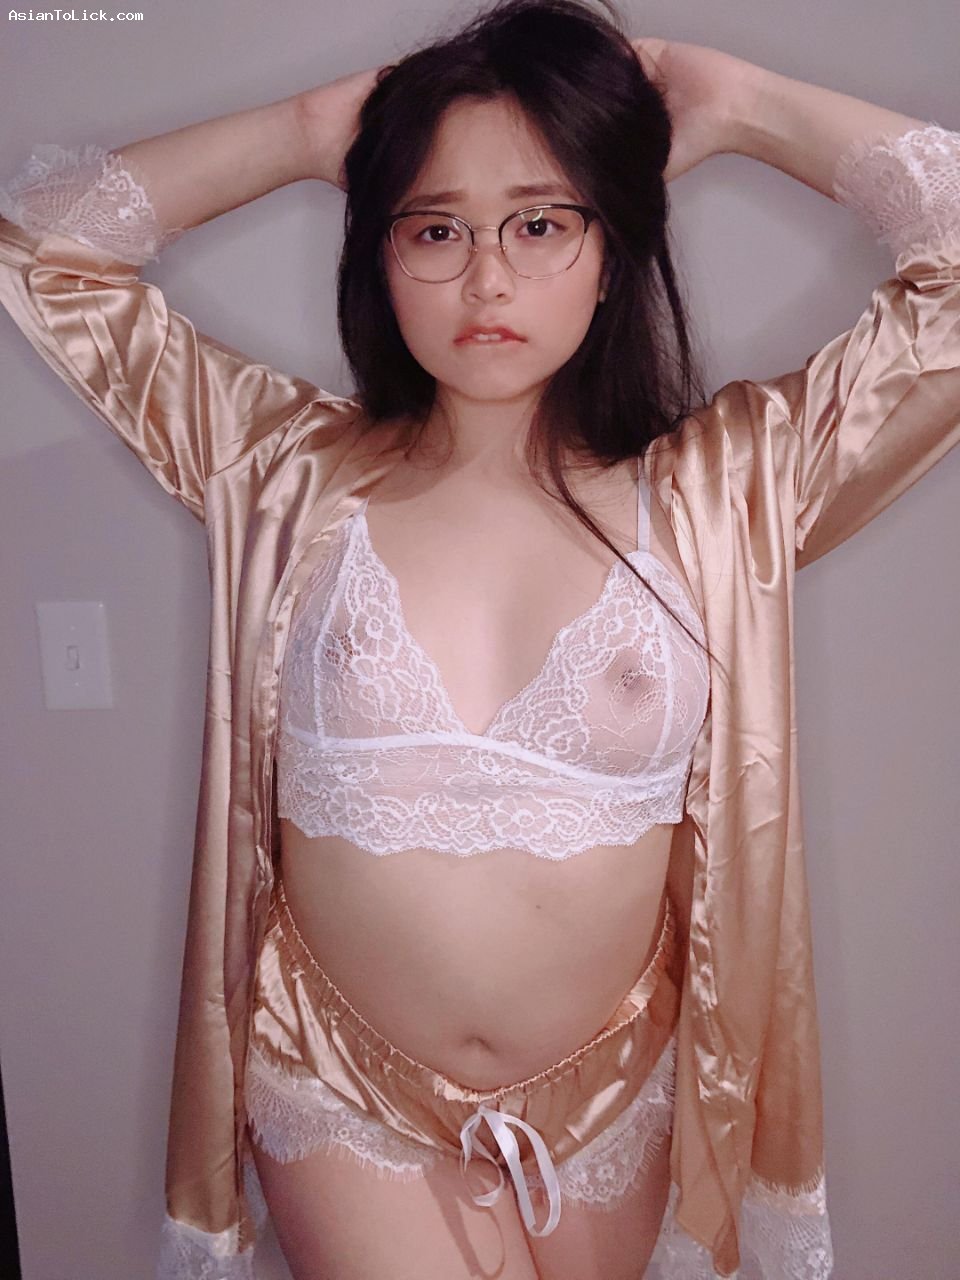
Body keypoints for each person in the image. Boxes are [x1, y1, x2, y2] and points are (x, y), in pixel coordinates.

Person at [0, 1, 957, 1276]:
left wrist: (735, 101)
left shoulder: (731, 491)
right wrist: (309, 133)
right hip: (343, 1088)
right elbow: (44, 252)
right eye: (435, 227)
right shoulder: (277, 468)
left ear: (611, 253)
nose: (487, 280)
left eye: (541, 222)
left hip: (616, 1093)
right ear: (379, 254)